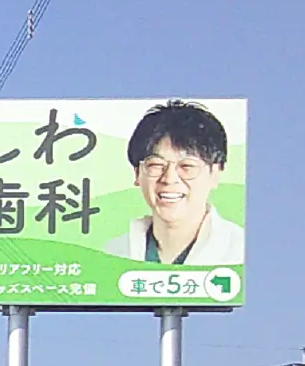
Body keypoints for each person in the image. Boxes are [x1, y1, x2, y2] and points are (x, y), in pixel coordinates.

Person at [102, 100, 244, 266]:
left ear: (215, 173)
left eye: (187, 166)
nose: (169, 179)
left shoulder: (241, 251)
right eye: (156, 165)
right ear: (137, 173)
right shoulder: (113, 253)